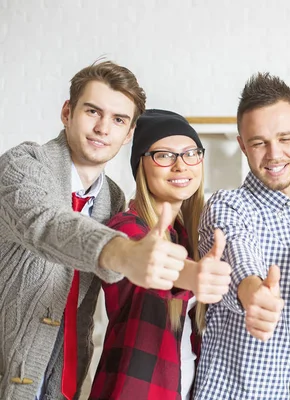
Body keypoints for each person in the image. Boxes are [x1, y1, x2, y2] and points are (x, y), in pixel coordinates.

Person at [0, 62, 190, 400]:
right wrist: (122, 252)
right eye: (93, 111)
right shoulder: (22, 165)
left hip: (65, 382)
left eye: (118, 120)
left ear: (129, 133)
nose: (103, 128)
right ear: (67, 112)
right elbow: (48, 225)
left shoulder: (113, 199)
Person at [194, 73, 290, 400]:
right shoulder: (228, 206)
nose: (274, 154)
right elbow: (238, 255)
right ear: (242, 145)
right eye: (259, 142)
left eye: (285, 138)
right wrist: (253, 293)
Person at [89, 109, 232, 400]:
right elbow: (154, 263)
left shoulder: (191, 235)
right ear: (141, 165)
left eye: (191, 153)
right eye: (164, 155)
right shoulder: (125, 230)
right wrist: (191, 274)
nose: (181, 166)